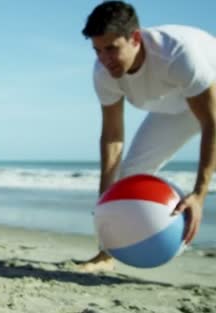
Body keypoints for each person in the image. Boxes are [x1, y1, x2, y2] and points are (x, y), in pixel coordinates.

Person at [80, 1, 216, 272]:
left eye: (111, 49)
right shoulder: (103, 73)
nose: (104, 59)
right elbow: (112, 136)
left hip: (210, 100)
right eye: (97, 50)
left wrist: (199, 194)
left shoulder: (178, 54)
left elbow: (211, 123)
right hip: (174, 108)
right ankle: (106, 253)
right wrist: (105, 196)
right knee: (129, 177)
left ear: (136, 38)